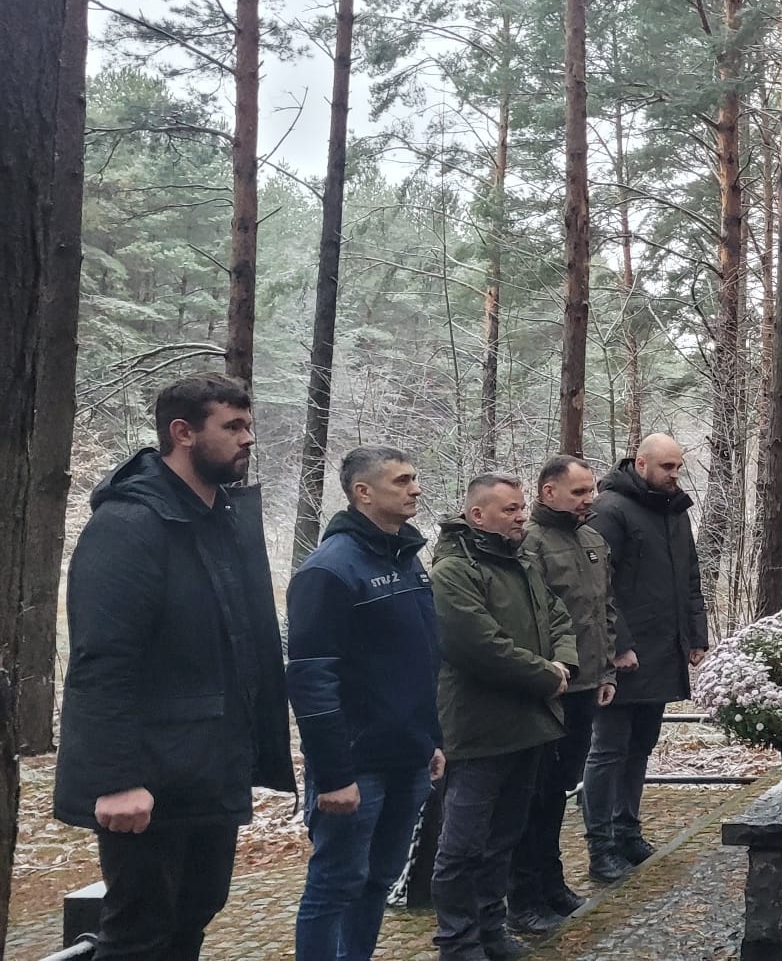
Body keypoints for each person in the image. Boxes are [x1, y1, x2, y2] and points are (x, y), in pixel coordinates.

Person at [53, 373, 295, 961]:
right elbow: (101, 659)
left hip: (211, 765)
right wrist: (116, 779)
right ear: (182, 433)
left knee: (195, 912)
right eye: (232, 426)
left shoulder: (221, 519)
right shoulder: (129, 524)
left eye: (249, 425)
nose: (248, 438)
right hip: (150, 776)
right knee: (139, 935)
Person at [287, 446, 446, 961]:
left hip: (409, 758)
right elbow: (311, 680)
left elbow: (422, 661)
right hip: (356, 766)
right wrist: (334, 775)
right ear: (363, 492)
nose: (415, 488)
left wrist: (432, 741)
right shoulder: (329, 570)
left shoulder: (407, 559)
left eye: (414, 477)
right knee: (336, 883)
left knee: (378, 879)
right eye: (402, 480)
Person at [430, 475, 577, 961]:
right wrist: (546, 676)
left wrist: (564, 663)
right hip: (478, 730)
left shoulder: (523, 563)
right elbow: (478, 646)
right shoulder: (453, 572)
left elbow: (559, 617)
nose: (522, 516)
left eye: (521, 508)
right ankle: (458, 942)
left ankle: (491, 930)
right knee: (463, 846)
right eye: (511, 509)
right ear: (478, 515)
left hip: (528, 725)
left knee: (503, 839)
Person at [583, 433, 709, 882]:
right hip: (622, 655)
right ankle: (601, 845)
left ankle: (627, 831)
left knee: (641, 746)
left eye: (678, 467)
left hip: (662, 650)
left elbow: (689, 578)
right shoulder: (610, 510)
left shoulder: (674, 511)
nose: (675, 475)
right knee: (608, 750)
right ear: (641, 464)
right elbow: (599, 586)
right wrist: (619, 645)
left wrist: (695, 636)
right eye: (667, 467)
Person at [505, 455, 618, 934]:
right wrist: (547, 676)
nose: (589, 499)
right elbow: (530, 619)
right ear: (548, 492)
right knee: (533, 794)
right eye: (579, 492)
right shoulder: (529, 542)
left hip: (587, 686)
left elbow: (604, 610)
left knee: (558, 790)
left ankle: (551, 882)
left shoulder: (593, 540)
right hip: (550, 688)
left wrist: (607, 670)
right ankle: (522, 895)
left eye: (591, 490)